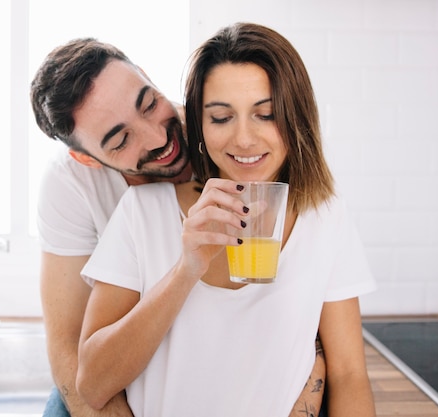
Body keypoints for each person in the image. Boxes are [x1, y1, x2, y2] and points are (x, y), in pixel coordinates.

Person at [76, 22, 376, 417]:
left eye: (266, 114)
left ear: (296, 118)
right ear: (199, 126)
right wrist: (187, 268)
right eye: (221, 118)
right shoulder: (142, 212)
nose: (245, 139)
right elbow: (93, 386)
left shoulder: (325, 216)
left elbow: (350, 374)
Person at [31, 37, 326, 417]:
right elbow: (69, 347)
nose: (158, 137)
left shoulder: (227, 137)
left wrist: (309, 388)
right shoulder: (69, 185)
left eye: (150, 103)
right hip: (125, 353)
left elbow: (303, 299)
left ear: (148, 77)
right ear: (86, 159)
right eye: (121, 140)